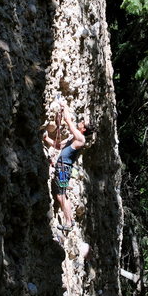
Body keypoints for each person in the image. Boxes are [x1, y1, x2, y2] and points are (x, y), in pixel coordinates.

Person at [43, 99, 95, 232]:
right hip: (63, 167)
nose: (80, 122)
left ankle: (67, 222)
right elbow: (59, 146)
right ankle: (70, 220)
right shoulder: (74, 138)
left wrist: (64, 105)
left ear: (83, 129)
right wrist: (46, 139)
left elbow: (68, 121)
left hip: (63, 168)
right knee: (63, 194)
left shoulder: (80, 139)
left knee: (60, 195)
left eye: (83, 123)